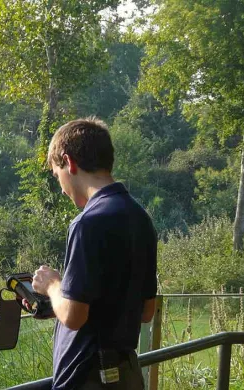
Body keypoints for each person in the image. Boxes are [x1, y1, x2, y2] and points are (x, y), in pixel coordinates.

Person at [31, 117, 158, 389]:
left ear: (69, 162)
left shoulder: (87, 223)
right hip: (126, 374)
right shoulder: (139, 217)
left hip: (86, 377)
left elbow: (75, 317)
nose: (61, 188)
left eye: (57, 175)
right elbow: (146, 311)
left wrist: (53, 285)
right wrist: (64, 302)